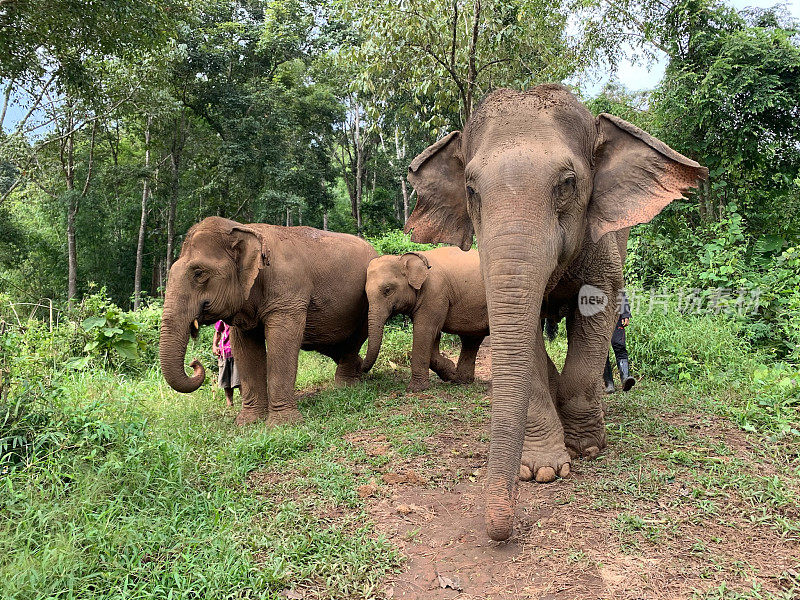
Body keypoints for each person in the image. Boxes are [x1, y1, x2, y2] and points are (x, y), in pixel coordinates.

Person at [603, 292, 635, 393]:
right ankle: (609, 384)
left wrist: (625, 314)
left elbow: (621, 292)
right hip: (598, 319)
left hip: (616, 316)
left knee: (619, 345)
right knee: (602, 350)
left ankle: (625, 379)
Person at [213, 320, 240, 406]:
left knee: (240, 379)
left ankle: (245, 402)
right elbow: (217, 332)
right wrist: (214, 346)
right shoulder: (222, 319)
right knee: (226, 380)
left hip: (238, 352)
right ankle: (229, 403)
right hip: (224, 352)